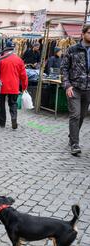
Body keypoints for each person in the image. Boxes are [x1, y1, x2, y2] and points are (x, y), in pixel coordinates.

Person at [60, 24, 90, 156]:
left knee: (82, 116)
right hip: (75, 88)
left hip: (88, 89)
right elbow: (64, 68)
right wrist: (67, 85)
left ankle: (72, 136)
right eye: (89, 32)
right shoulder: (72, 49)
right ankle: (75, 144)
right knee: (75, 115)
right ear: (83, 34)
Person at [0, 40, 28, 129]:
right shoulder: (19, 60)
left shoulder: (1, 59)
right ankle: (14, 119)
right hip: (14, 86)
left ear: (5, 49)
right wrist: (24, 87)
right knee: (13, 103)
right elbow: (23, 75)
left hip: (2, 85)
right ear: (14, 49)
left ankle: (2, 122)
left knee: (1, 104)